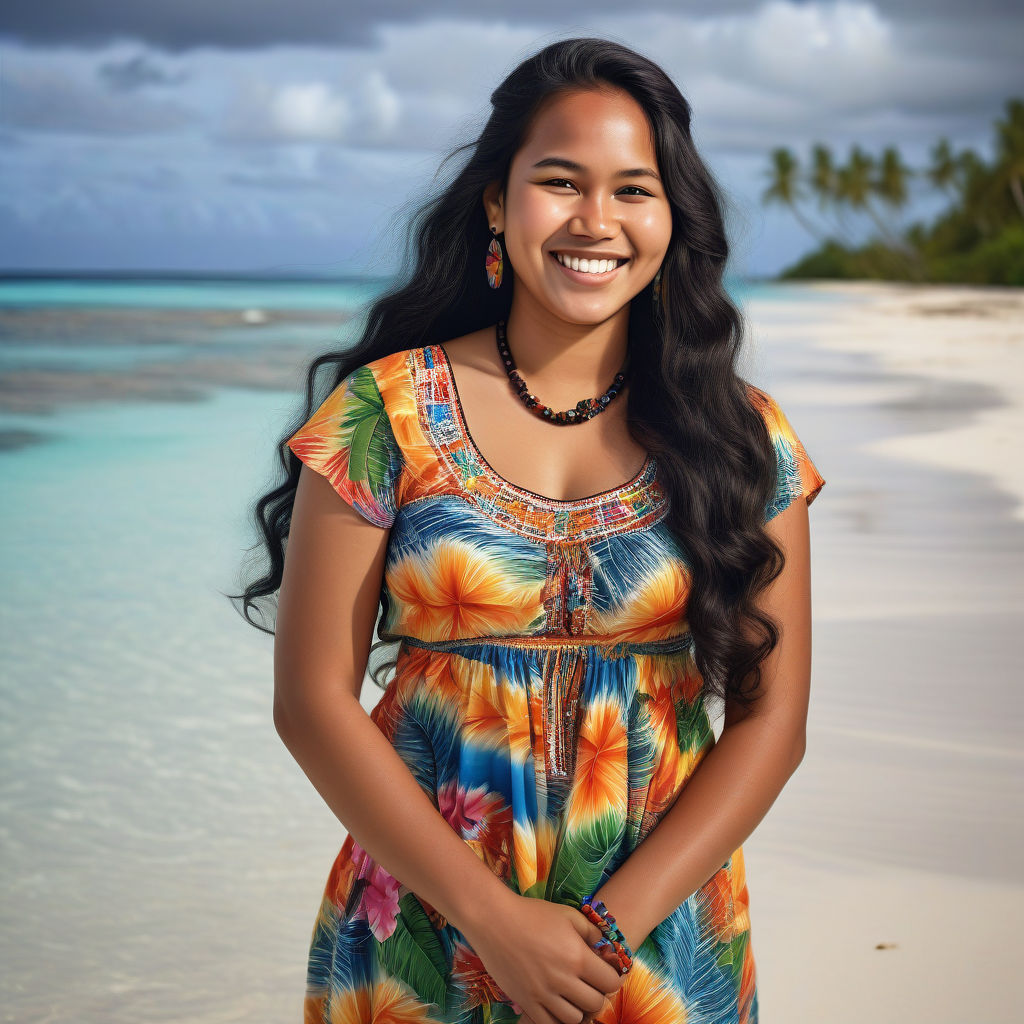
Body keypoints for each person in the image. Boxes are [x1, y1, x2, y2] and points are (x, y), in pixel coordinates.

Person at [236, 36, 824, 1024]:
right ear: (496, 207)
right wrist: (492, 920)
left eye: (633, 189)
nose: (595, 221)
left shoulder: (741, 436)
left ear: (670, 220)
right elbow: (311, 701)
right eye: (560, 181)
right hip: (420, 924)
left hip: (660, 936)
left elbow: (771, 724)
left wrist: (606, 932)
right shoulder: (383, 413)